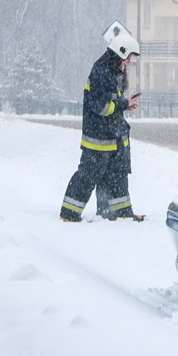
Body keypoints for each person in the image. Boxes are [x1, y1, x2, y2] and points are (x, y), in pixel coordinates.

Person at [60, 35, 144, 222]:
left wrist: (124, 104)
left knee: (117, 175)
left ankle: (119, 214)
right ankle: (69, 214)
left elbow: (112, 104)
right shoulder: (101, 73)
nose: (128, 63)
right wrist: (123, 104)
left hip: (113, 137)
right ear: (119, 54)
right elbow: (101, 107)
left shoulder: (113, 73)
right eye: (128, 58)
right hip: (99, 139)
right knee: (88, 176)